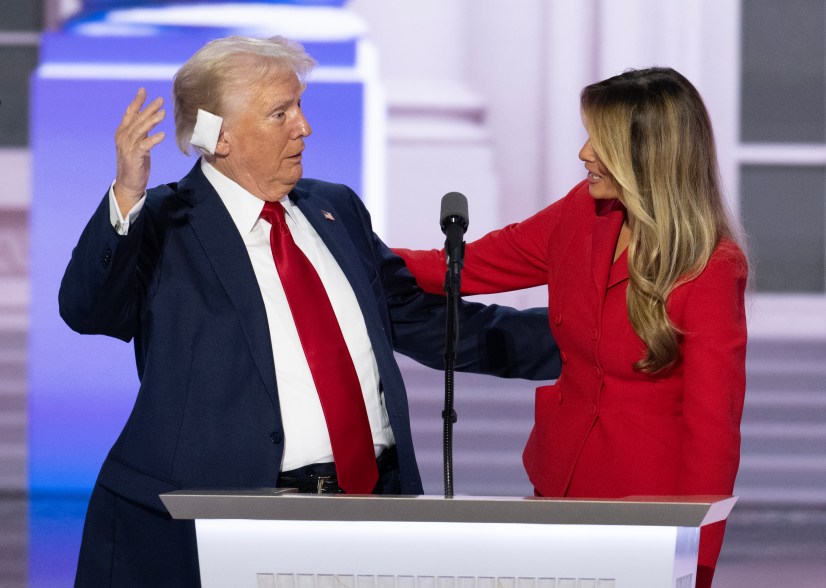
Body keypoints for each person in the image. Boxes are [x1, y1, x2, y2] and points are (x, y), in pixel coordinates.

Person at [58, 35, 559, 586]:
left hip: (372, 510)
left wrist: (593, 339)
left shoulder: (334, 208)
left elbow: (429, 322)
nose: (304, 126)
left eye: (299, 106)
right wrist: (127, 194)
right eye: (280, 112)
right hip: (220, 527)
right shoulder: (163, 222)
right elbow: (89, 310)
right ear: (218, 137)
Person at [394, 67, 747, 588]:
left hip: (644, 515)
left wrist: (694, 562)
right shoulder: (585, 212)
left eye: (598, 141)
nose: (583, 153)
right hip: (556, 487)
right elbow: (468, 266)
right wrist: (353, 255)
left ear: (647, 154)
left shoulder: (712, 267)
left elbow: (712, 433)